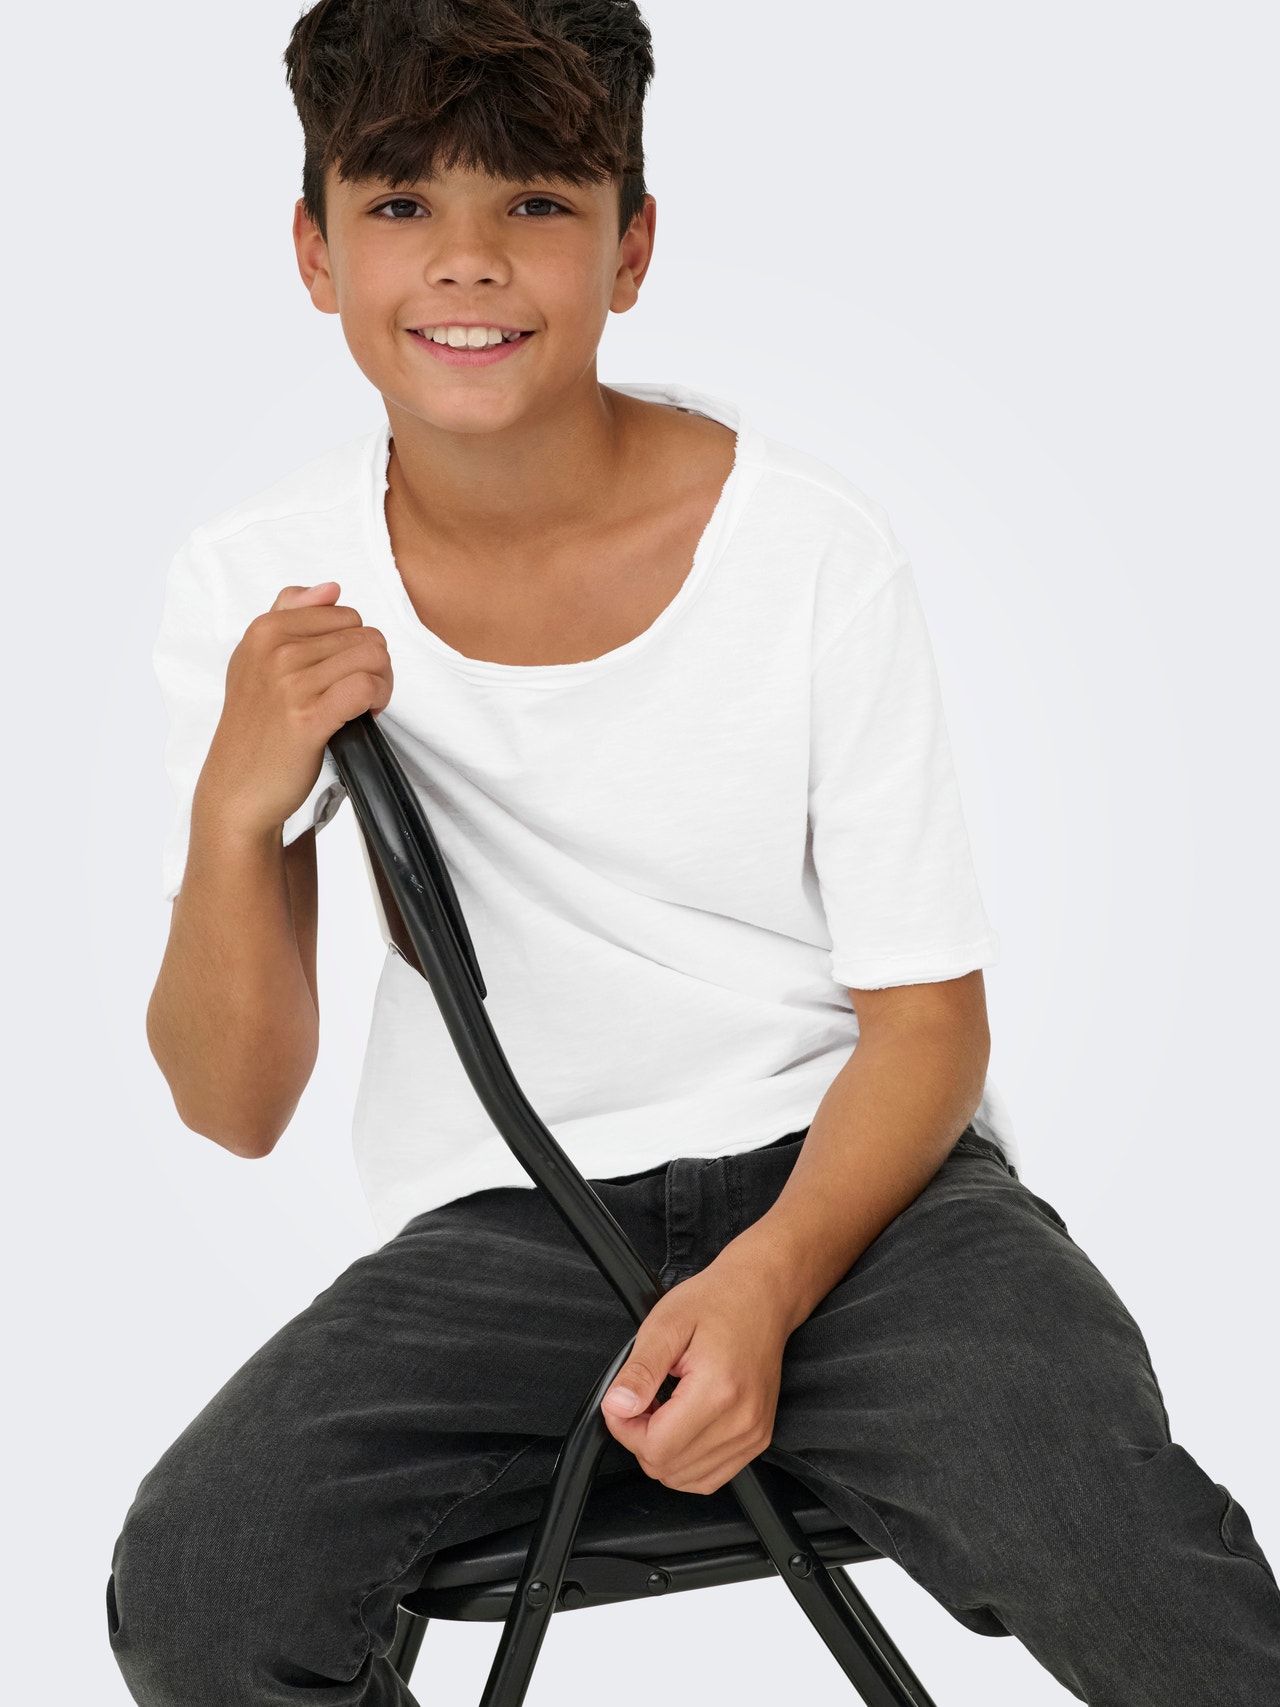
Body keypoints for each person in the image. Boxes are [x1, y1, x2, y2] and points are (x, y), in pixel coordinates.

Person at [106, 2, 1280, 1703]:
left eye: (535, 203)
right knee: (205, 1582)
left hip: (858, 1194)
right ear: (314, 252)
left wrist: (762, 1287)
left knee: (1108, 1528)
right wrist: (236, 809)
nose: (468, 262)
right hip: (505, 1231)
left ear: (632, 248)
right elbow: (233, 1105)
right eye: (401, 204)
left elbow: (930, 1028)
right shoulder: (256, 581)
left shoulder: (808, 549)